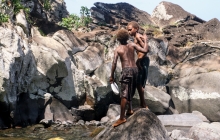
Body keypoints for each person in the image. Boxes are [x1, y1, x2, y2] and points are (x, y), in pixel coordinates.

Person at [109, 28, 148, 127]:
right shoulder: (132, 45)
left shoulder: (118, 49)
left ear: (118, 39)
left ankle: (122, 118)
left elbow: (114, 63)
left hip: (127, 70)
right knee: (130, 90)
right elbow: (145, 50)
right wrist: (146, 40)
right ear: (127, 37)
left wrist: (111, 76)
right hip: (135, 69)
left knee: (124, 94)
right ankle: (130, 109)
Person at [127, 21, 149, 109]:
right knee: (138, 83)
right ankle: (142, 103)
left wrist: (139, 61)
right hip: (141, 60)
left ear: (136, 29)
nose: (129, 32)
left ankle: (143, 104)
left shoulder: (139, 37)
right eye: (128, 30)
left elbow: (146, 50)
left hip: (142, 61)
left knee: (139, 82)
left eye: (130, 30)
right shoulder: (136, 37)